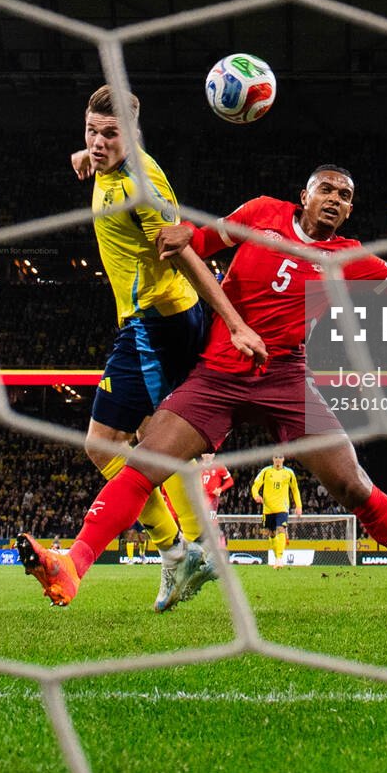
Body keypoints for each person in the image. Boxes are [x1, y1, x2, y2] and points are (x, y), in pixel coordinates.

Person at [15, 165, 387, 619]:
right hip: (218, 372)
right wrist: (177, 233)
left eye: (345, 197)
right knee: (142, 466)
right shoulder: (260, 214)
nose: (336, 201)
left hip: (286, 378)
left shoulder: (348, 256)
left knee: (354, 487)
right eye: (328, 190)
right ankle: (72, 566)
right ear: (305, 195)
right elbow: (196, 245)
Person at [69, 85, 266, 613]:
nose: (99, 141)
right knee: (133, 441)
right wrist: (89, 155)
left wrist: (235, 323)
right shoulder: (106, 162)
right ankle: (190, 550)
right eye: (92, 130)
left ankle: (185, 550)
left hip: (160, 321)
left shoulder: (142, 184)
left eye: (111, 134)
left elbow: (183, 254)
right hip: (145, 320)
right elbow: (96, 151)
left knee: (120, 445)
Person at [251, 455, 301, 568]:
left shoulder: (289, 473)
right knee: (271, 535)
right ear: (273, 459)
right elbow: (255, 486)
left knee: (281, 529)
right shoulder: (266, 471)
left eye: (280, 457)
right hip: (268, 509)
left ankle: (279, 558)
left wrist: (299, 506)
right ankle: (276, 557)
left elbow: (295, 490)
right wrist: (256, 495)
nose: (278, 459)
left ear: (283, 459)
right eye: (276, 457)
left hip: (282, 508)